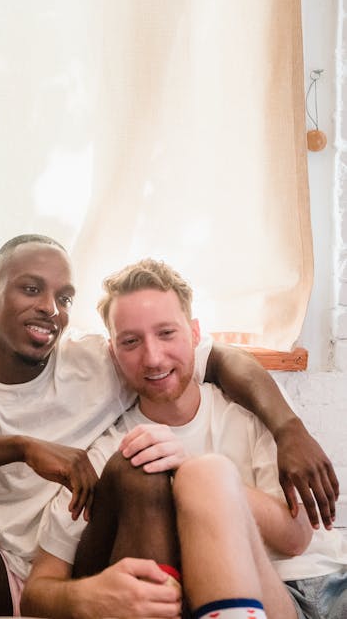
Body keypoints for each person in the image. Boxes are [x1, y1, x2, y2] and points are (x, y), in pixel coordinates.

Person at [0, 236, 339, 617]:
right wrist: (21, 447)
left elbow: (221, 359)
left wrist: (289, 428)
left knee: (162, 465)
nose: (50, 308)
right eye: (31, 288)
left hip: (91, 559)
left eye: (64, 297)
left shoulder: (101, 362)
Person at [21, 258, 347, 619]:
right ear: (113, 353)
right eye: (131, 342)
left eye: (166, 333)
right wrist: (88, 595)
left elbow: (297, 537)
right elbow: (36, 591)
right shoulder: (112, 452)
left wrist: (192, 470)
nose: (153, 357)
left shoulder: (249, 411)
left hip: (325, 585)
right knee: (202, 477)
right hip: (246, 601)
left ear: (194, 334)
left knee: (204, 475)